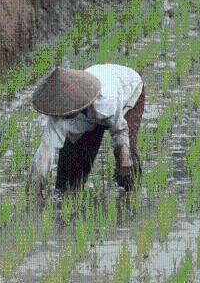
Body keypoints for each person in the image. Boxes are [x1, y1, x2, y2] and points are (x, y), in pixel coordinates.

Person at [30, 64, 145, 199]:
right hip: (90, 111)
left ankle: (130, 198)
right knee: (71, 171)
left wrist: (124, 158)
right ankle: (70, 199)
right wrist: (35, 189)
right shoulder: (59, 114)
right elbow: (45, 150)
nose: (65, 117)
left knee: (126, 165)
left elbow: (120, 130)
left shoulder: (106, 101)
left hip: (129, 92)